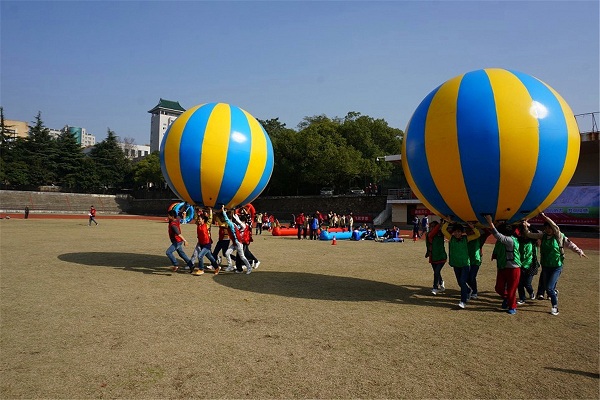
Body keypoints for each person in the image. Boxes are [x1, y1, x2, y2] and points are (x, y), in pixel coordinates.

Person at [523, 213, 587, 315]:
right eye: (546, 228)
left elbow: (570, 244)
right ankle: (554, 292)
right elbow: (529, 235)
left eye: (549, 228)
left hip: (556, 266)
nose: (548, 229)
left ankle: (555, 307)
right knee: (549, 288)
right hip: (546, 266)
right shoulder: (543, 236)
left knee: (549, 288)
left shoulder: (558, 235)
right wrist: (525, 227)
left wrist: (579, 251)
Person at [484, 215, 521, 315]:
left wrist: (490, 222)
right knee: (499, 288)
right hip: (502, 267)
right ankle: (507, 298)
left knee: (512, 289)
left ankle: (512, 306)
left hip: (513, 268)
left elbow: (496, 234)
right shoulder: (504, 240)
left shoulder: (510, 240)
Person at [441, 220, 480, 308]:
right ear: (453, 232)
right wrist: (447, 222)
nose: (457, 233)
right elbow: (443, 230)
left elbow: (477, 235)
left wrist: (472, 227)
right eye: (455, 232)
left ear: (462, 232)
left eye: (459, 232)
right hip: (456, 264)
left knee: (462, 281)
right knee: (460, 282)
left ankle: (463, 301)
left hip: (465, 264)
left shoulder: (466, 239)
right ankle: (468, 290)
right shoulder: (451, 239)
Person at [221, 206, 253, 274]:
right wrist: (233, 211)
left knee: (242, 256)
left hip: (238, 243)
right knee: (227, 253)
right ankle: (230, 265)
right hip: (235, 243)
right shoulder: (235, 225)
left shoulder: (233, 225)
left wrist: (223, 211)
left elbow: (227, 219)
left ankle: (249, 267)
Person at [516, 223, 539, 304]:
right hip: (521, 265)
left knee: (527, 283)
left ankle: (531, 292)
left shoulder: (533, 241)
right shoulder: (519, 240)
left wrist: (529, 225)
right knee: (519, 283)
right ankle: (522, 298)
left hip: (531, 265)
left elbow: (537, 232)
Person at [426, 220, 447, 295]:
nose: (432, 228)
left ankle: (435, 287)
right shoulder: (429, 235)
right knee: (436, 272)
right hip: (433, 257)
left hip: (441, 257)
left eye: (433, 227)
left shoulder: (441, 234)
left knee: (436, 272)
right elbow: (430, 238)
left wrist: (445, 223)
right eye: (431, 226)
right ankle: (441, 282)